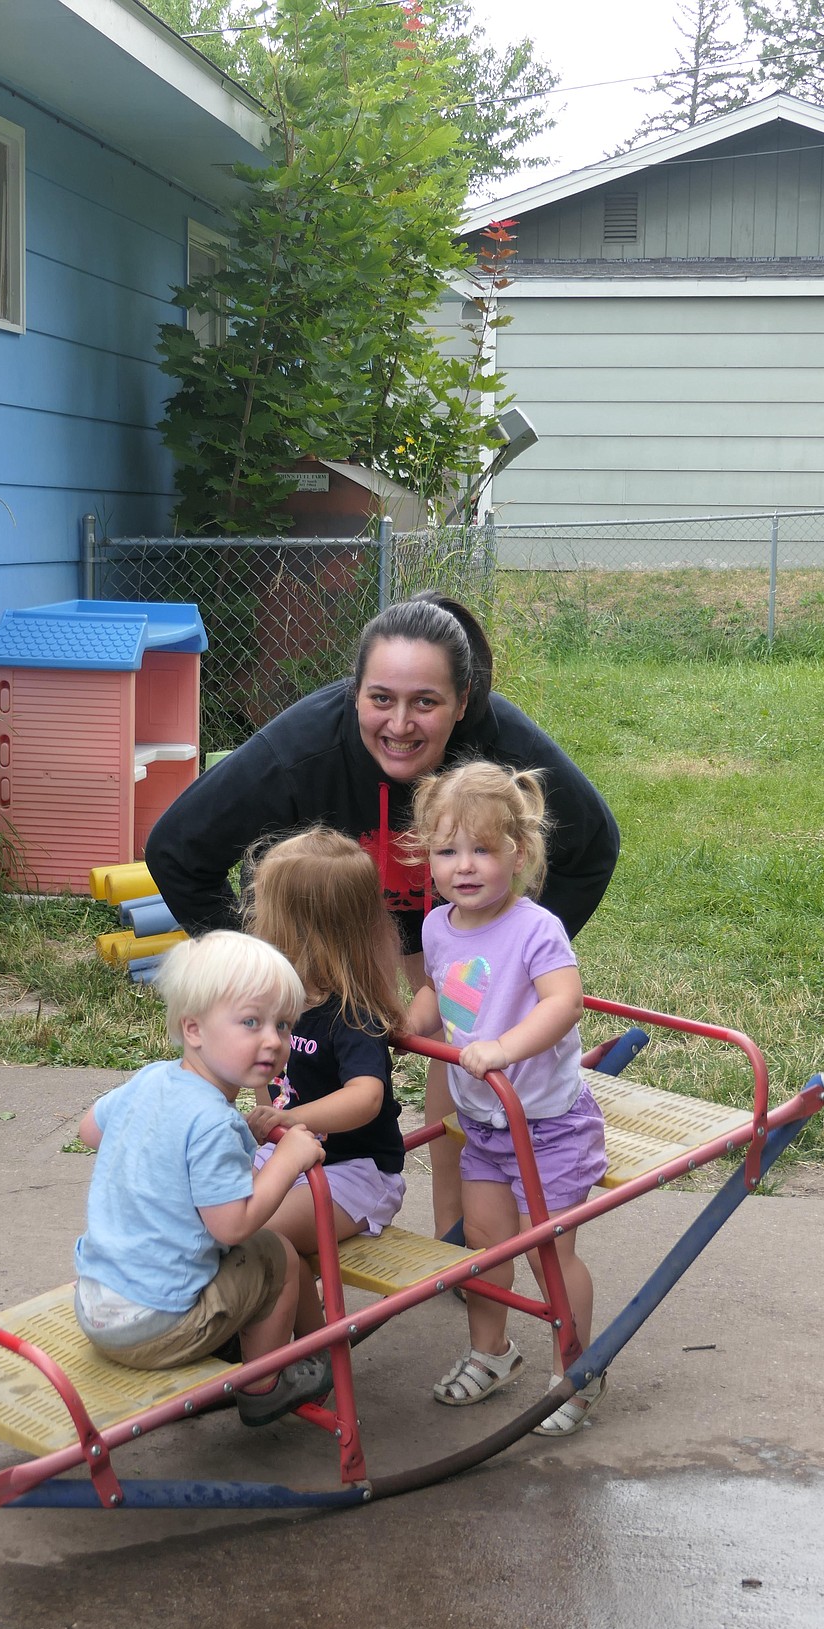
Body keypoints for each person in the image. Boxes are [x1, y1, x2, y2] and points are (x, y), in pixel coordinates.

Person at [145, 591, 619, 1237]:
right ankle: (283, 1198)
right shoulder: (303, 748)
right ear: (354, 691)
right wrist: (256, 971)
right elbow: (176, 851)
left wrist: (508, 953)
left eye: (426, 701)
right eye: (380, 698)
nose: (400, 724)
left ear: (464, 700)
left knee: (461, 1024)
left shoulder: (499, 743)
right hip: (340, 919)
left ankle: (463, 1244)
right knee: (306, 1048)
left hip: (452, 912)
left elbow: (594, 846)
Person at [407, 760, 609, 1437]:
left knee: (546, 1250)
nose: (464, 866)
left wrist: (505, 1047)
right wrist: (413, 1022)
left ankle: (576, 1368)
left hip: (549, 1123)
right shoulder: (438, 925)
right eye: (447, 850)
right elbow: (440, 986)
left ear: (517, 854)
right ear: (428, 856)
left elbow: (563, 1002)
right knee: (487, 1247)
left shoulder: (536, 928)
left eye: (483, 849)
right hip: (487, 1121)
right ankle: (491, 1352)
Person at [72, 930, 333, 1428]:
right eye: (251, 1022)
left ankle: (235, 1341)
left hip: (97, 1307)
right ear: (193, 1029)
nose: (273, 1040)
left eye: (282, 1024)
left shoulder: (152, 1079)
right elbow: (232, 1227)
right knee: (276, 1254)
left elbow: (90, 1130)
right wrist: (289, 1157)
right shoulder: (214, 1122)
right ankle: (263, 1384)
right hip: (154, 1327)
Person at [242, 827, 407, 1331]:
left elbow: (365, 1098)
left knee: (257, 1233)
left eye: (267, 913)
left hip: (355, 1173)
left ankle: (309, 1348)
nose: (256, 923)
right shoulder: (282, 1002)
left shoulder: (354, 1014)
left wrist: (290, 1119)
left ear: (305, 928)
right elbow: (265, 1076)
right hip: (288, 1155)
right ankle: (259, 1325)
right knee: (207, 1213)